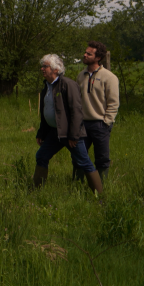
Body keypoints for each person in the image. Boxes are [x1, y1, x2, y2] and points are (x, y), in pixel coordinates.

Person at [33, 54, 103, 196]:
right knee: (41, 156)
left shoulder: (68, 84)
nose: (42, 69)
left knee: (84, 162)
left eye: (45, 66)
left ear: (55, 69)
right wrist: (41, 133)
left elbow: (76, 112)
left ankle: (99, 197)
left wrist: (74, 135)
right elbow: (46, 113)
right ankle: (36, 192)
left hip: (70, 134)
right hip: (55, 132)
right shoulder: (46, 87)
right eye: (42, 66)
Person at [75, 41, 120, 183]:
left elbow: (113, 103)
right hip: (82, 124)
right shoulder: (80, 76)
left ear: (98, 57)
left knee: (102, 158)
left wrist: (106, 122)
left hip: (100, 124)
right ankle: (77, 185)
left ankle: (101, 188)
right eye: (85, 52)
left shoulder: (109, 77)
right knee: (79, 156)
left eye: (89, 53)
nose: (85, 55)